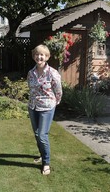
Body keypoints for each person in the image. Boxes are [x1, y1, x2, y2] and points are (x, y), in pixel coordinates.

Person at [27, 44, 62, 175]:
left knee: (42, 135)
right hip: (33, 106)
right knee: (37, 134)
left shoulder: (53, 73)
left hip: (47, 107)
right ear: (34, 56)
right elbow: (30, 88)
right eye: (37, 54)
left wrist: (55, 102)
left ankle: (46, 163)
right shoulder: (31, 73)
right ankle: (42, 155)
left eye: (42, 54)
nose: (39, 57)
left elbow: (58, 90)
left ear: (46, 57)